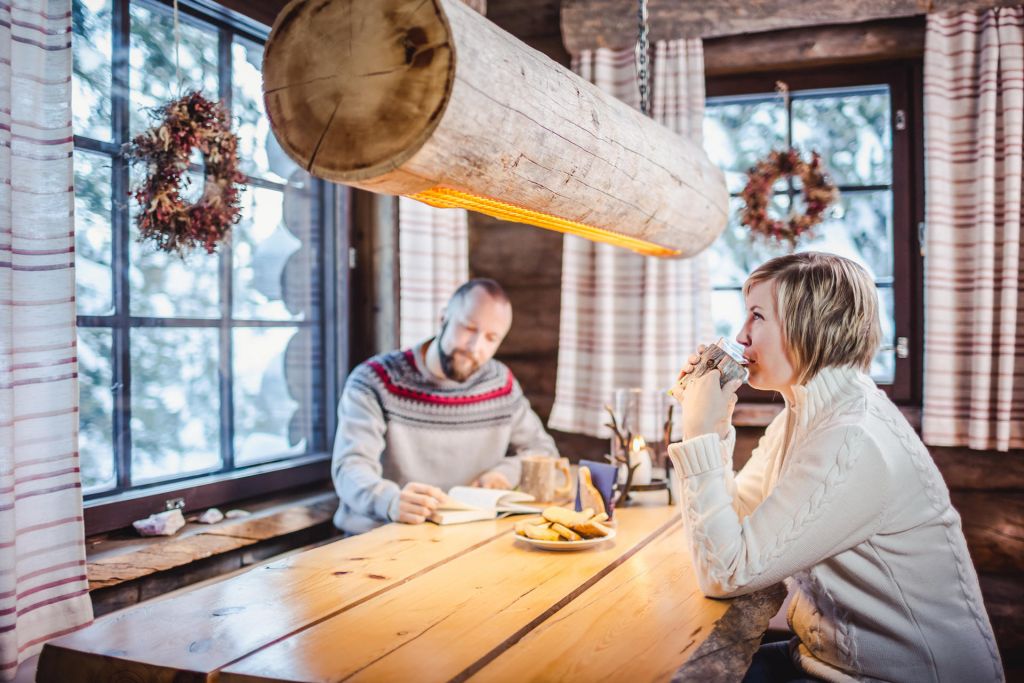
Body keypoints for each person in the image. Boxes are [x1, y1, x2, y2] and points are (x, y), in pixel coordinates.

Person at [669, 252, 1003, 682]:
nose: (740, 335)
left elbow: (726, 573)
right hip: (819, 661)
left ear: (812, 325)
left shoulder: (852, 438)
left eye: (757, 316)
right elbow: (740, 524)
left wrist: (697, 432)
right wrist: (712, 422)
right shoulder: (806, 412)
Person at [331, 278, 559, 535]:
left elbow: (543, 450)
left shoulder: (500, 383)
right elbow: (349, 468)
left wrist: (503, 474)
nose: (475, 347)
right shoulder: (374, 380)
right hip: (383, 537)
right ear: (443, 319)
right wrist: (390, 501)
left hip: (468, 535)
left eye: (491, 338)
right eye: (468, 328)